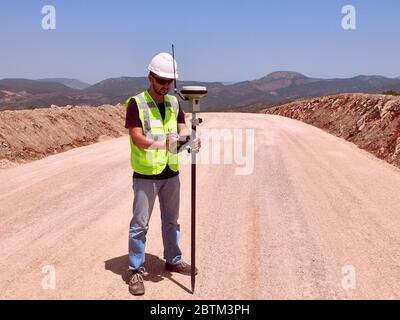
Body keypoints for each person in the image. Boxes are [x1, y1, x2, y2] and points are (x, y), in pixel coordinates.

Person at [124, 52, 200, 296]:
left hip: (170, 173)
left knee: (171, 221)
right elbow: (137, 138)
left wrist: (190, 140)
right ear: (150, 77)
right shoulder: (136, 103)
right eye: (160, 81)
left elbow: (181, 129)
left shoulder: (174, 103)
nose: (164, 86)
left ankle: (173, 259)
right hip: (146, 174)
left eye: (169, 81)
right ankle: (136, 269)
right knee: (140, 225)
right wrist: (163, 144)